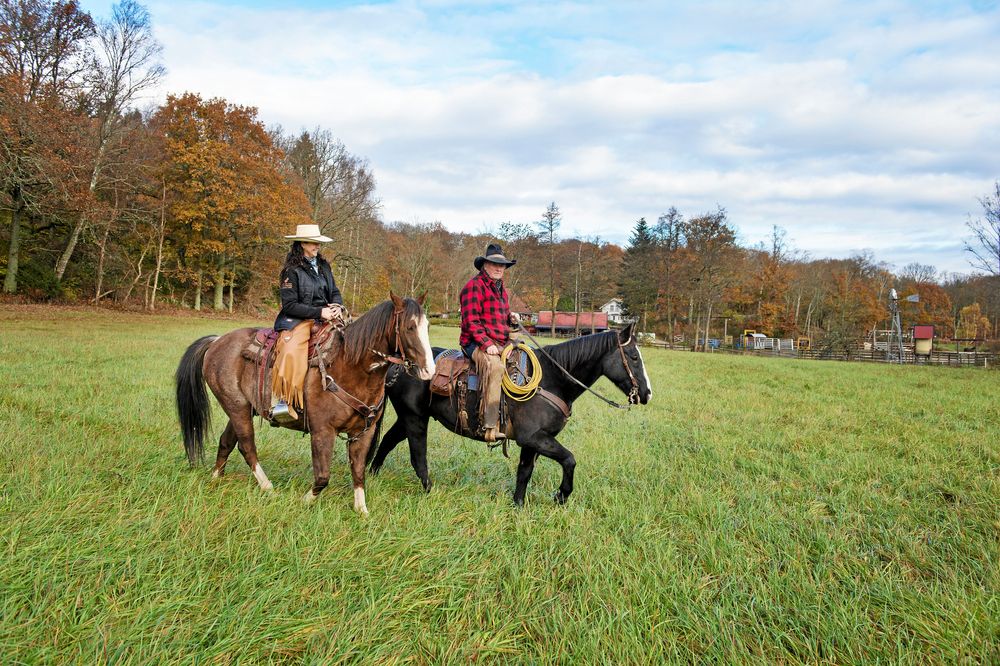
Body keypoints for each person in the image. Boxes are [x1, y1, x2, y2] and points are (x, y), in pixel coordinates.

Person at [272, 223, 344, 422]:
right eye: (313, 243)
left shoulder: (323, 266)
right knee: (290, 351)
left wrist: (337, 305)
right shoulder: (291, 271)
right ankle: (284, 402)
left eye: (318, 243)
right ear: (302, 243)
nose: (317, 246)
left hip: (329, 316)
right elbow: (289, 305)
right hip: (299, 320)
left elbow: (335, 290)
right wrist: (320, 312)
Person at [459, 243, 520, 441]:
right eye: (494, 264)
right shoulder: (473, 287)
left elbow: (500, 316)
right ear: (484, 265)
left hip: (500, 342)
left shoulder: (502, 290)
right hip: (475, 343)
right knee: (495, 369)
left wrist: (511, 317)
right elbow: (471, 321)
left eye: (502, 265)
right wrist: (487, 345)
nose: (499, 268)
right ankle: (490, 425)